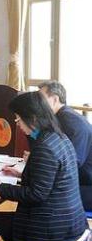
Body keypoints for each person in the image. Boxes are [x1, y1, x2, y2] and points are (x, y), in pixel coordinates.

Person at [0, 91, 87, 241]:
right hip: (69, 221)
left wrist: (0, 186)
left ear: (33, 118)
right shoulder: (58, 137)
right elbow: (54, 177)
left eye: (18, 118)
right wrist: (21, 175)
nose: (17, 123)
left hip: (50, 228)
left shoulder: (44, 147)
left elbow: (37, 195)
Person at [38, 80, 92, 211]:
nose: (38, 104)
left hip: (86, 185)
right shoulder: (62, 117)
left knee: (41, 196)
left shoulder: (71, 121)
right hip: (79, 180)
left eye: (41, 99)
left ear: (55, 99)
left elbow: (73, 163)